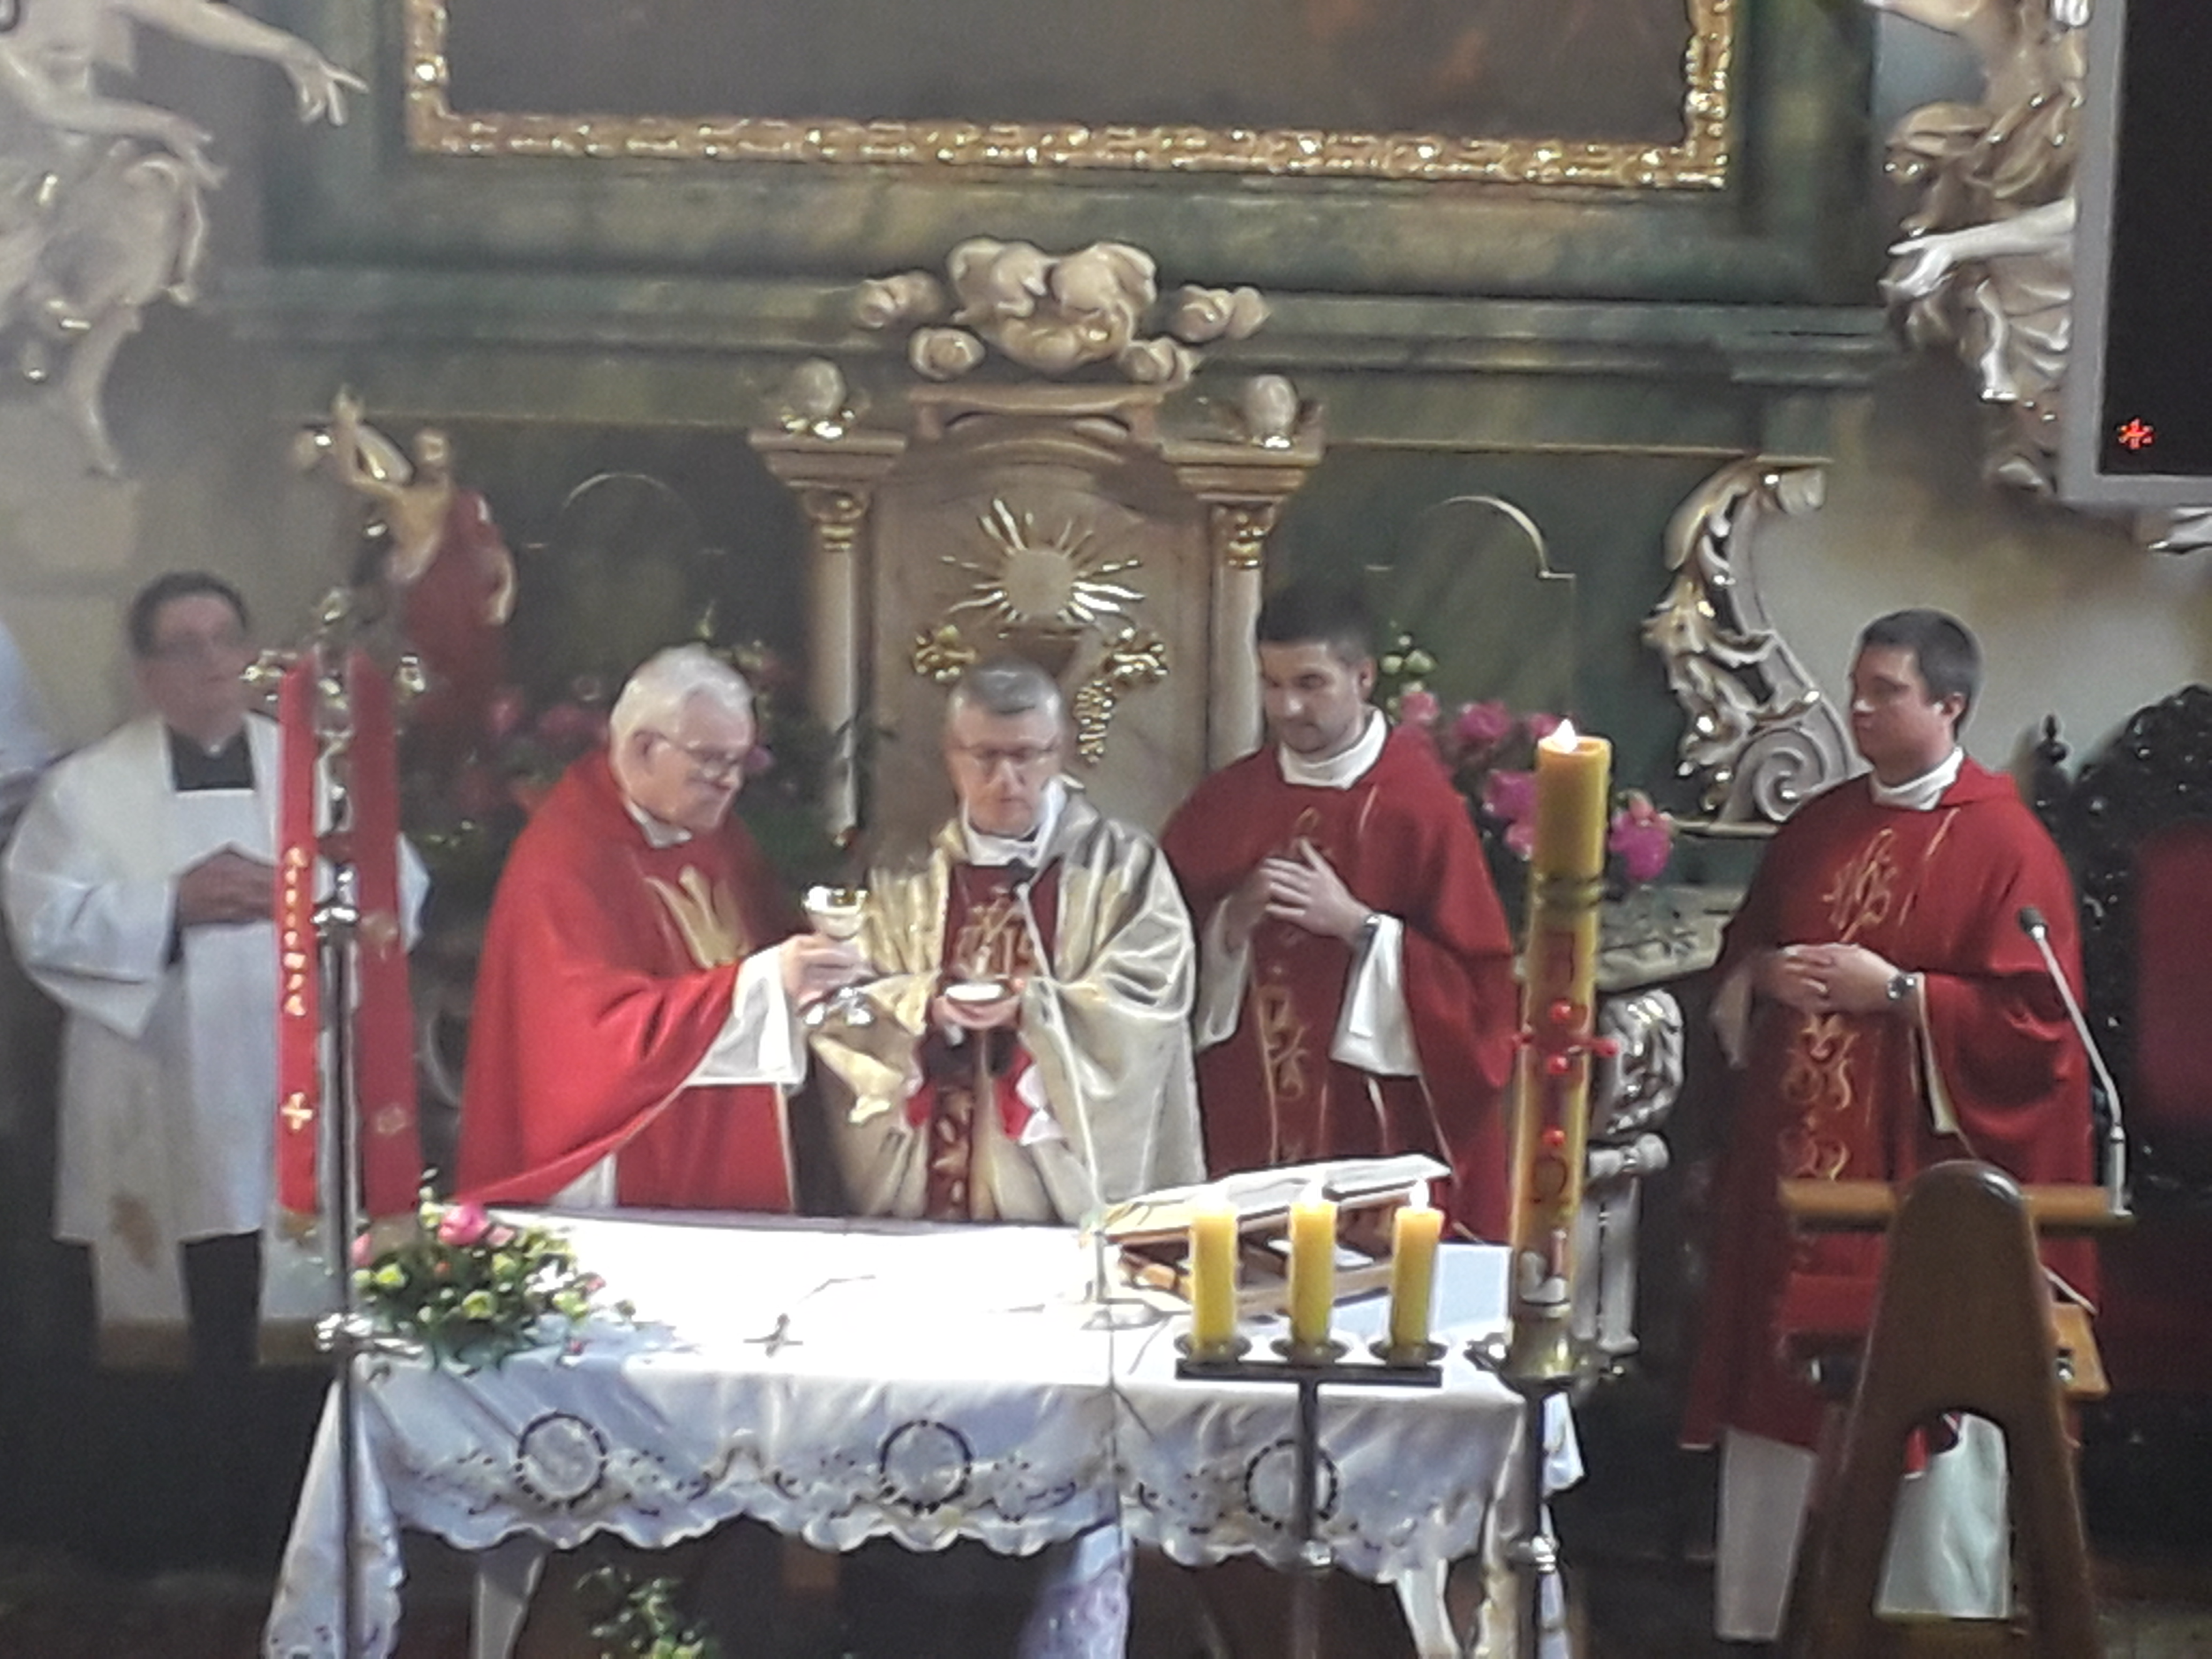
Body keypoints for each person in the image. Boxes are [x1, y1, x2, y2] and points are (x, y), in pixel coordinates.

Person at [1681, 608, 2098, 1642]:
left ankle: (1928, 1628)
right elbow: (1742, 958)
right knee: (1781, 1391)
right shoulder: (1816, 826)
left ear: (1948, 705)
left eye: (1885, 692)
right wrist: (1761, 977)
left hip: (1916, 1189)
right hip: (1792, 1185)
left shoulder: (2007, 845)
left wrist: (1902, 993)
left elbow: (2037, 1030)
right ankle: (1765, 1622)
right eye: (1856, 687)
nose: (1858, 709)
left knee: (1929, 1377)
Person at [3, 571, 423, 1561]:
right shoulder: (87, 788)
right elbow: (40, 917)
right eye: (182, 647)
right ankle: (168, 1533)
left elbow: (394, 891)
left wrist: (299, 894)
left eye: (223, 639)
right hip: (154, 1089)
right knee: (174, 1309)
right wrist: (171, 904)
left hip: (286, 1091)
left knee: (287, 1298)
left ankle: (292, 1531)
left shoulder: (314, 772)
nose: (208, 665)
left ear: (250, 652)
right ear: (146, 671)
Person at [1159, 582, 1519, 1238]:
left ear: (1363, 678)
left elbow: (1481, 1001)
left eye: (1310, 684)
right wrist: (1229, 926)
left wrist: (1359, 927)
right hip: (1244, 1131)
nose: (1287, 707)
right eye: (1271, 684)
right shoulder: (1229, 801)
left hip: (1370, 1134)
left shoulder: (1418, 806)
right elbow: (1157, 952)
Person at [457, 644, 865, 1211]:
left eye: (740, 762)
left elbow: (774, 945)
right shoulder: (565, 860)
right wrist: (766, 983)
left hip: (726, 1143)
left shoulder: (714, 836)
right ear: (644, 748)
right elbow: (591, 1044)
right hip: (625, 1162)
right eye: (712, 760)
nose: (730, 782)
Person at [812, 655, 1202, 1223]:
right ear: (951, 753)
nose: (1005, 779)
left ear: (1060, 750)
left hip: (1059, 1195)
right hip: (920, 1196)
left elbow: (1148, 1004)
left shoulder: (1123, 867)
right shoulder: (898, 871)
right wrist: (924, 1005)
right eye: (985, 756)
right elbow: (841, 997)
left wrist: (1035, 1011)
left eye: (1025, 756)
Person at [323, 390, 517, 780]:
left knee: (467, 697)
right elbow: (352, 477)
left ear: (450, 454)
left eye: (436, 448)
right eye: (423, 449)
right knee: (418, 697)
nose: (429, 457)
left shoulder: (468, 503)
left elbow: (494, 553)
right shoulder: (403, 499)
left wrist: (505, 593)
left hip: (467, 615)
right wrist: (347, 426)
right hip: (421, 610)